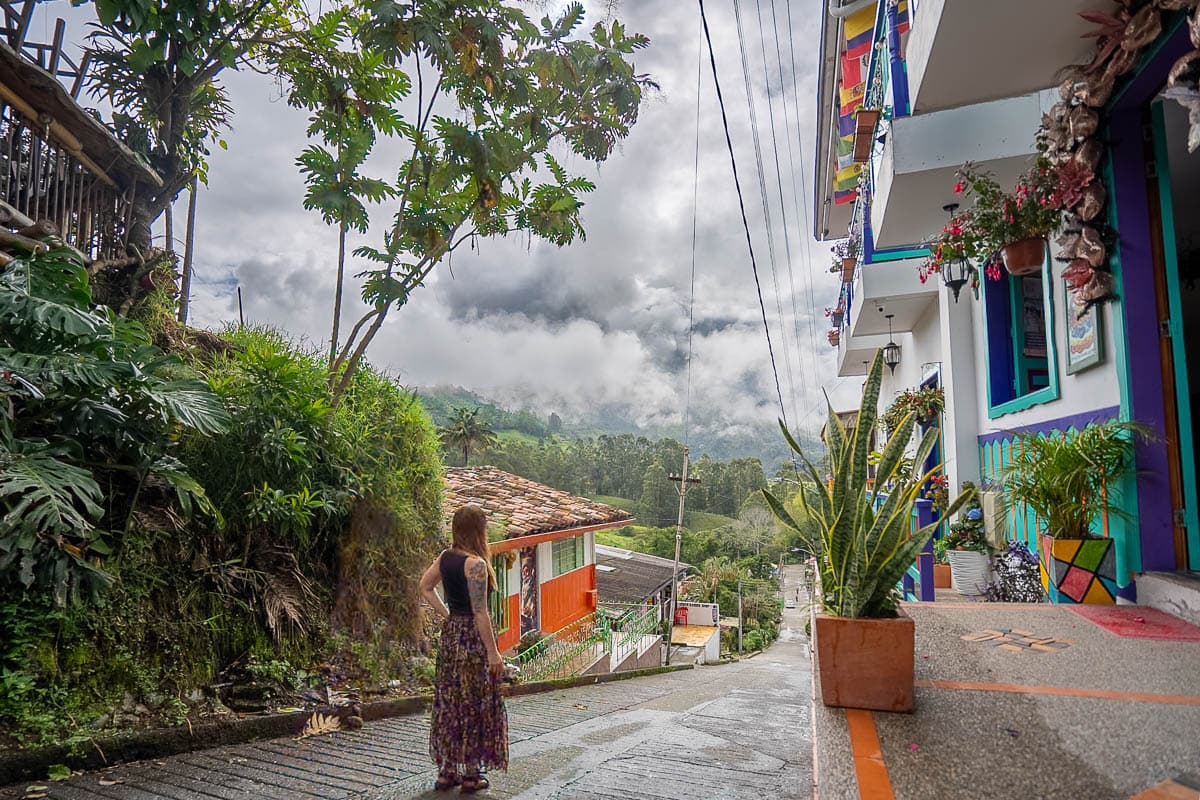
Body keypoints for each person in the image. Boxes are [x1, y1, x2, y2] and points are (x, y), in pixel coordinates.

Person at [419, 504, 509, 792]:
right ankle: (471, 775)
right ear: (478, 530)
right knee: (473, 702)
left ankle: (447, 772)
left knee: (449, 700)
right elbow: (480, 612)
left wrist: (447, 615)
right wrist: (494, 653)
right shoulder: (476, 565)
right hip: (471, 639)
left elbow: (425, 586)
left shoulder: (445, 557)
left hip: (450, 638)